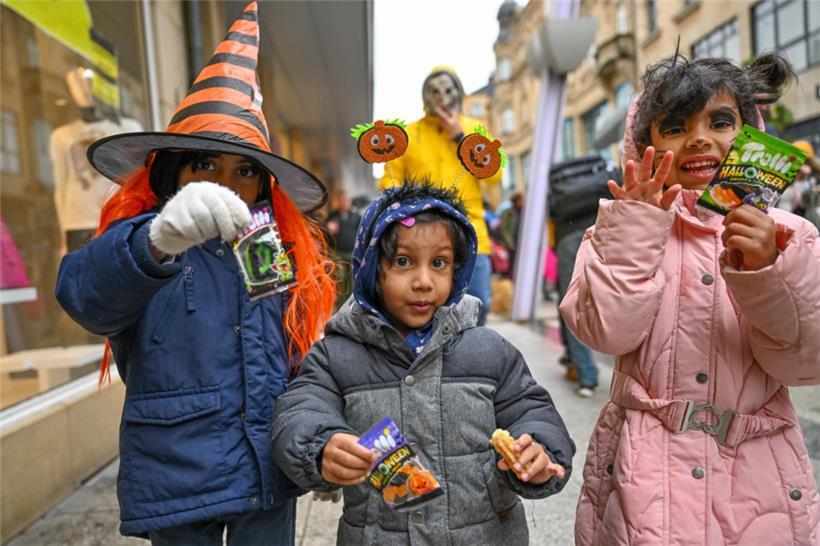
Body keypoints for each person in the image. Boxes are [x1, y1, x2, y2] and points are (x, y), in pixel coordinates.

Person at [55, 3, 335, 544]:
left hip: (266, 472)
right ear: (173, 171)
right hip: (179, 478)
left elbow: (293, 354)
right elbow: (84, 296)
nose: (228, 183)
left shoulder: (269, 249)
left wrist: (321, 436)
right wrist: (155, 243)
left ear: (262, 187)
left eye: (245, 170)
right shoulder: (147, 239)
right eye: (205, 163)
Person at [562, 52, 820, 545]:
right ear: (644, 148)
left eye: (720, 121)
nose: (700, 138)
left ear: (748, 134)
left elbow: (805, 363)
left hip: (756, 480)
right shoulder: (618, 231)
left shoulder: (791, 237)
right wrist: (635, 232)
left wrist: (768, 269)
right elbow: (604, 331)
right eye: (676, 127)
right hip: (645, 476)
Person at [271, 182, 575, 545]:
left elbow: (532, 409)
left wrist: (539, 451)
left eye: (439, 263)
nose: (423, 281)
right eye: (403, 262)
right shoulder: (336, 357)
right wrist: (320, 447)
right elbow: (299, 410)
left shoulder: (488, 351)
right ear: (371, 270)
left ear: (458, 271)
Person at [378, 66, 503, 325]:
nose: (442, 97)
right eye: (434, 91)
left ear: (458, 93)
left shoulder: (473, 129)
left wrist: (460, 136)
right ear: (426, 96)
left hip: (473, 234)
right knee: (430, 313)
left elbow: (494, 174)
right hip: (423, 240)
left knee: (477, 308)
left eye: (448, 90)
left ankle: (472, 364)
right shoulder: (410, 134)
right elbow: (389, 184)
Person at [548, 154, 617, 397]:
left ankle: (587, 378)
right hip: (604, 234)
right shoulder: (598, 171)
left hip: (569, 239)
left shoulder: (553, 184)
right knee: (615, 302)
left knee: (572, 304)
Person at [326, 189, 361, 308]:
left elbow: (362, 234)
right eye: (342, 200)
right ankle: (341, 305)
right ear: (338, 202)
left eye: (347, 200)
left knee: (352, 279)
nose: (345, 203)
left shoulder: (356, 216)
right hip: (338, 254)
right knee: (340, 279)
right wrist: (329, 230)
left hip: (352, 253)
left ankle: (353, 304)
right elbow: (326, 236)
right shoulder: (332, 217)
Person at [499, 191, 523, 278]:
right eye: (520, 200)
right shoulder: (507, 212)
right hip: (508, 245)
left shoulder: (522, 213)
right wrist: (510, 243)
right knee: (507, 267)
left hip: (518, 243)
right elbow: (504, 229)